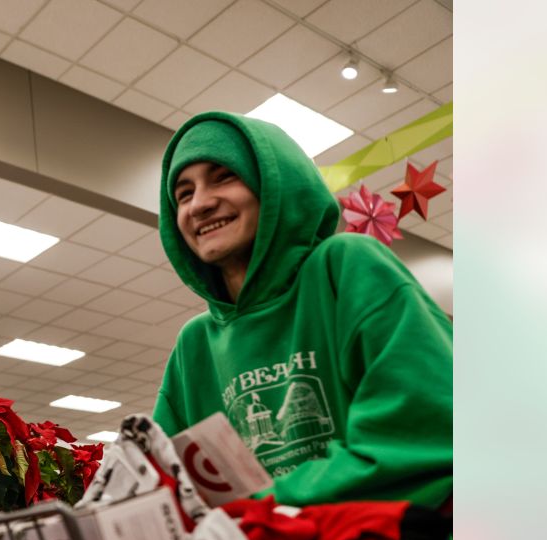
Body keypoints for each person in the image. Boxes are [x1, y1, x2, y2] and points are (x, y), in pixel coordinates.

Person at [151, 111, 452, 510]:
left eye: (224, 176)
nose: (200, 204)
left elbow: (424, 433)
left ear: (275, 186)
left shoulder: (346, 265)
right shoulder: (194, 346)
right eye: (184, 193)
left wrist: (261, 508)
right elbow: (158, 483)